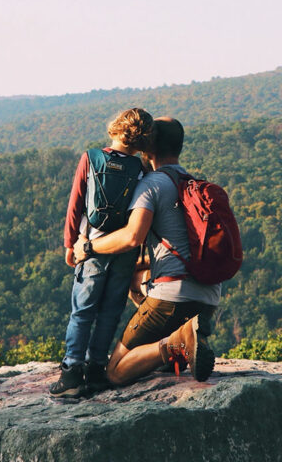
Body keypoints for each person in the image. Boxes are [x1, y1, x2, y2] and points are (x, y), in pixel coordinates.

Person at [74, 117, 218, 385]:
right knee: (142, 286)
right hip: (208, 297)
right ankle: (178, 346)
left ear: (148, 145)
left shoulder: (152, 184)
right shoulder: (192, 183)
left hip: (172, 297)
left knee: (114, 371)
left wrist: (88, 246)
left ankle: (177, 341)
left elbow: (131, 237)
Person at [50, 108, 154, 397]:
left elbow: (76, 205)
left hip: (92, 248)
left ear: (116, 129)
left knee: (82, 312)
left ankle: (71, 373)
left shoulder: (91, 158)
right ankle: (97, 369)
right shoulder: (140, 169)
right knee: (110, 312)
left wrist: (70, 243)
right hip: (123, 251)